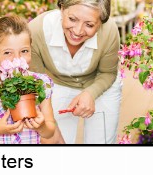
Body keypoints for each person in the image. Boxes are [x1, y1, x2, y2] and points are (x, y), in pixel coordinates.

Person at [29, 0, 122, 144]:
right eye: (72, 19)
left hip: (101, 83)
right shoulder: (36, 31)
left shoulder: (109, 31)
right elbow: (37, 81)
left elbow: (107, 73)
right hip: (54, 85)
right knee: (57, 140)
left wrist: (90, 93)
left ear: (100, 23)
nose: (78, 31)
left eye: (89, 25)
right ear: (62, 9)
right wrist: (49, 122)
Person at [0, 15, 63, 144]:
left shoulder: (41, 82)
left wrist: (41, 126)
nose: (17, 59)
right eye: (8, 52)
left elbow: (50, 131)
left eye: (24, 51)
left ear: (31, 49)